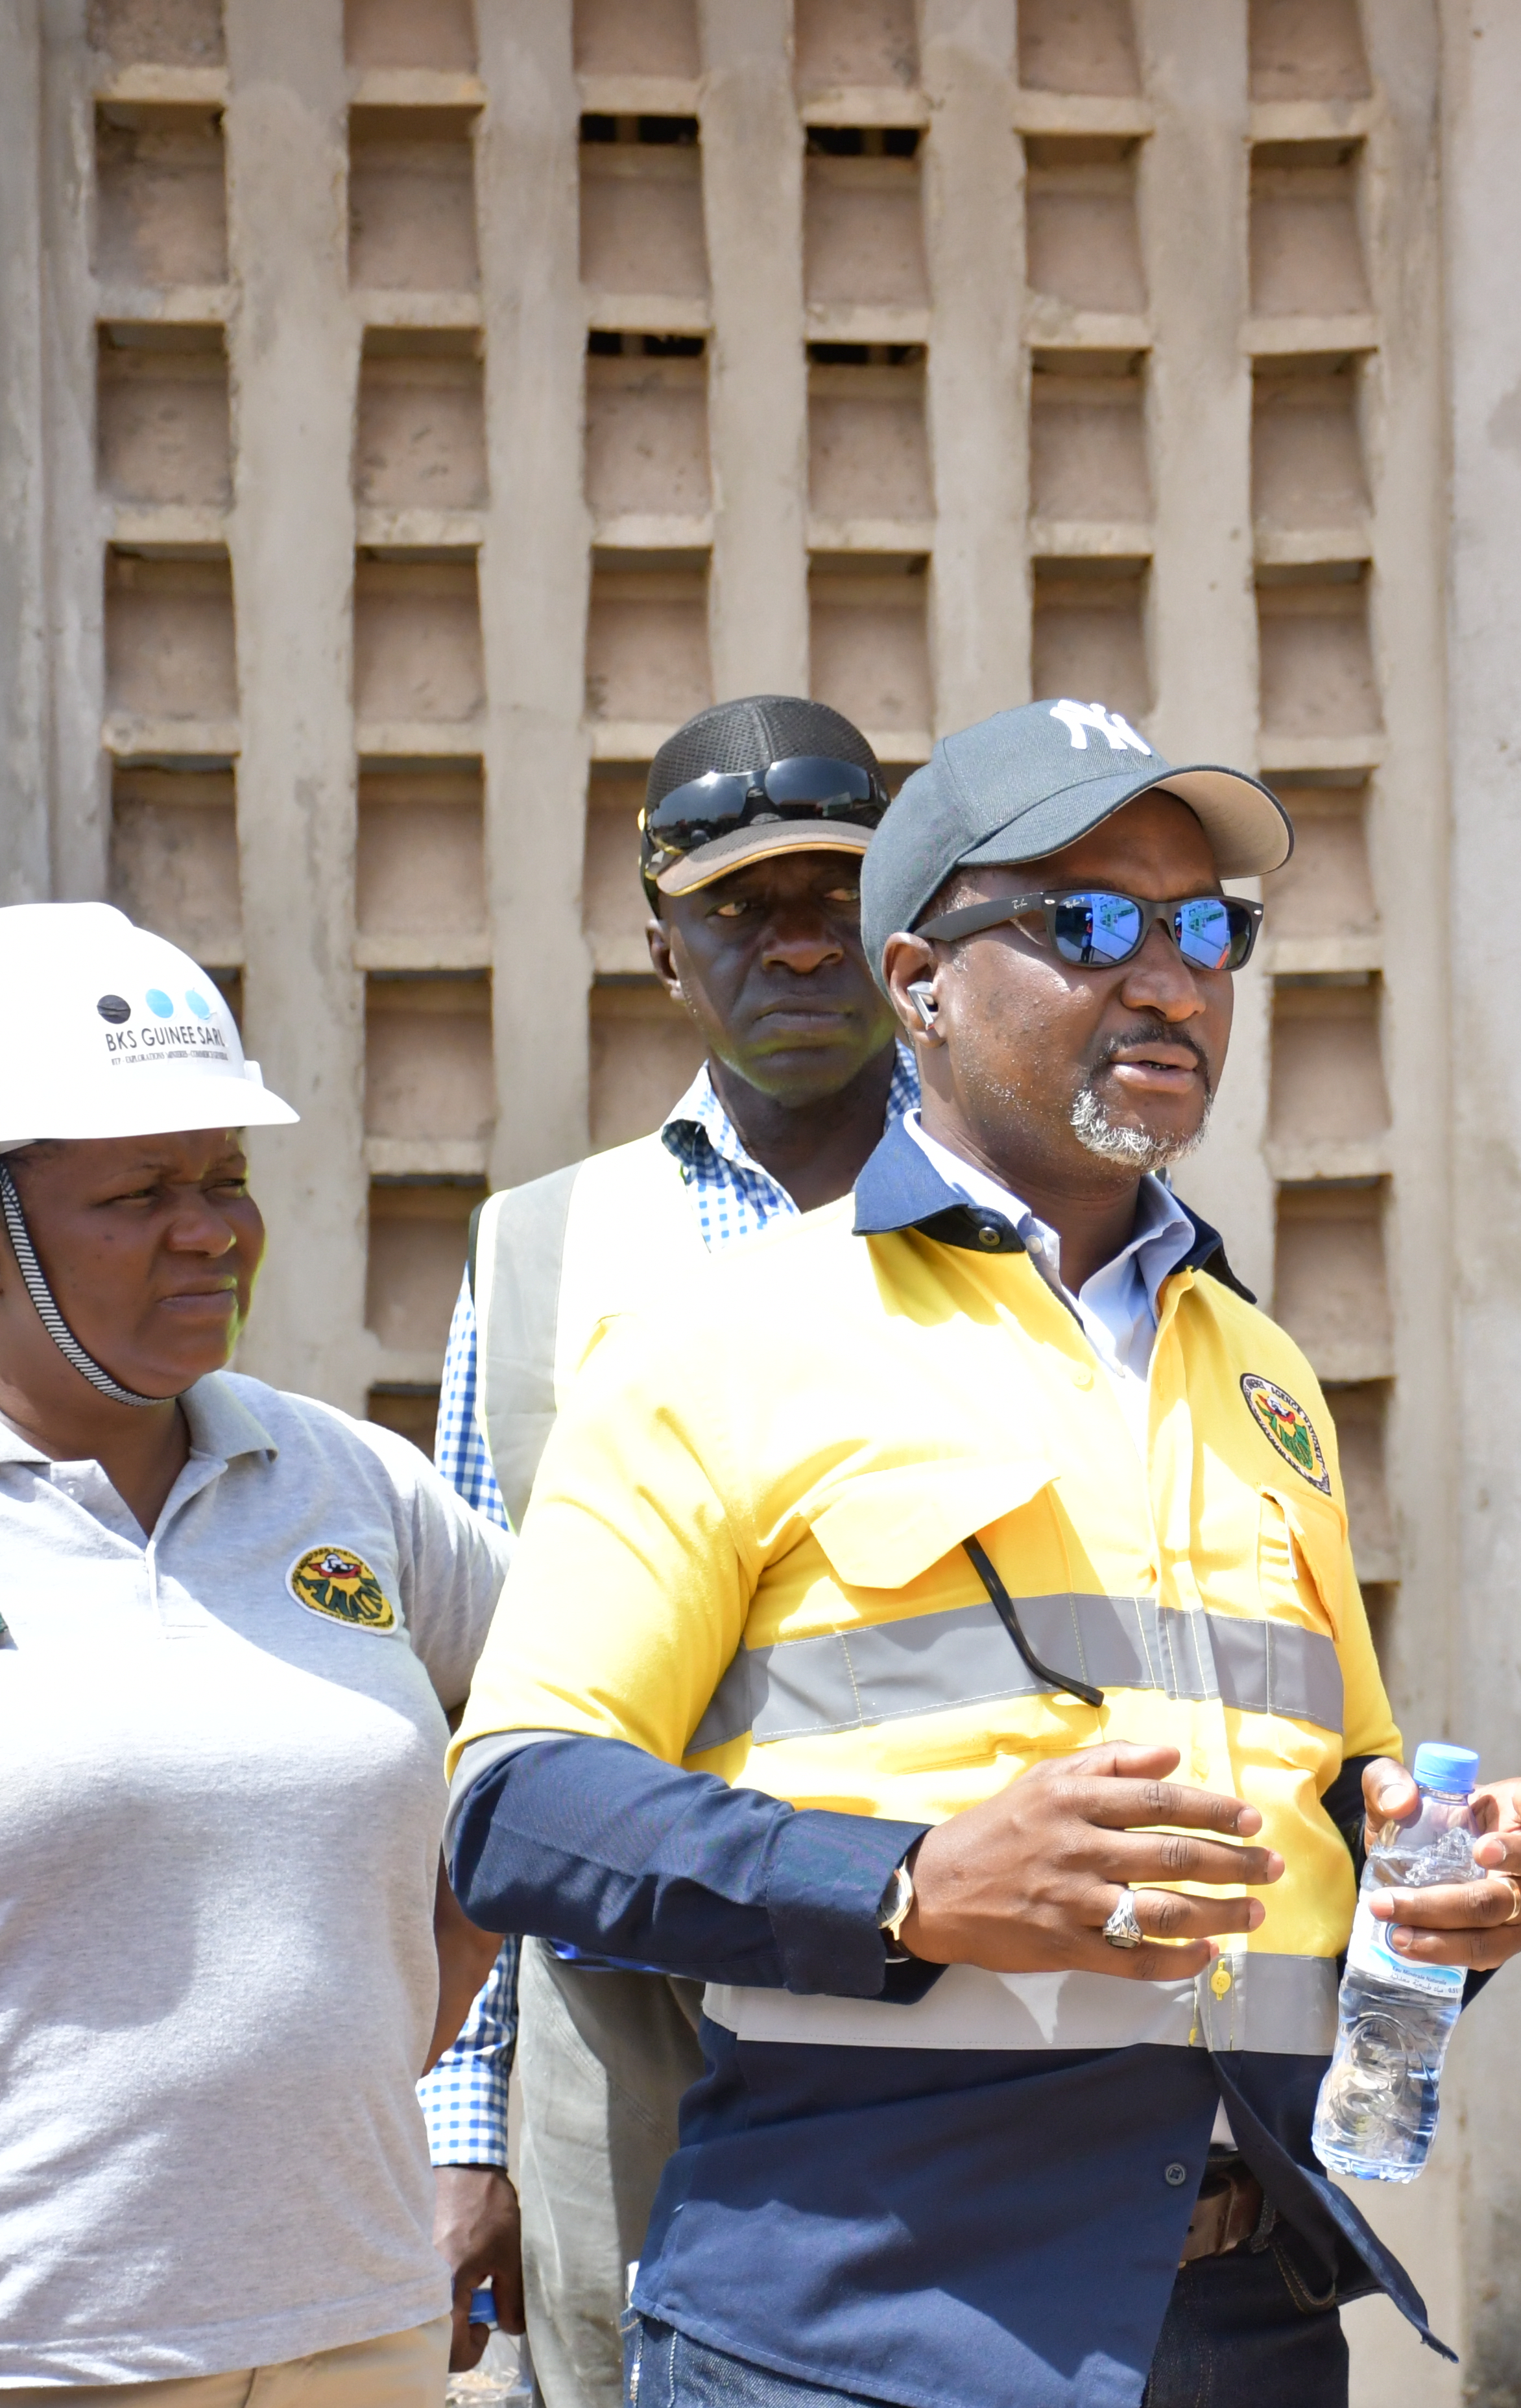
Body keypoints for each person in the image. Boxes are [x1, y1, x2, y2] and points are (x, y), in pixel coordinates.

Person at [443, 696, 1521, 2408]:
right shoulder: (727, 1341)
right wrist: (907, 1888)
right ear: (918, 985)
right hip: (861, 2324)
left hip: (1242, 2324)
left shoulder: (1258, 1373)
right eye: (1087, 923)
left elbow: (1331, 1811)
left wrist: (1439, 1890)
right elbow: (517, 1803)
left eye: (1209, 930)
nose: (1172, 980)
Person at [0, 903, 509, 2405]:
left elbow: (557, 1709)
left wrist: (451, 1947)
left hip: (356, 2331)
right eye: (142, 1190)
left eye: (225, 1177)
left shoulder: (352, 1485)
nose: (211, 1227)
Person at [418, 695, 917, 2407]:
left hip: (960, 2025)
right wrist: (464, 2123)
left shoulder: (1035, 1220)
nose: (792, 948)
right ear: (662, 952)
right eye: (738, 911)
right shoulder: (547, 1251)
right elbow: (484, 1707)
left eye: (831, 902)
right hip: (626, 2042)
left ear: (906, 928)